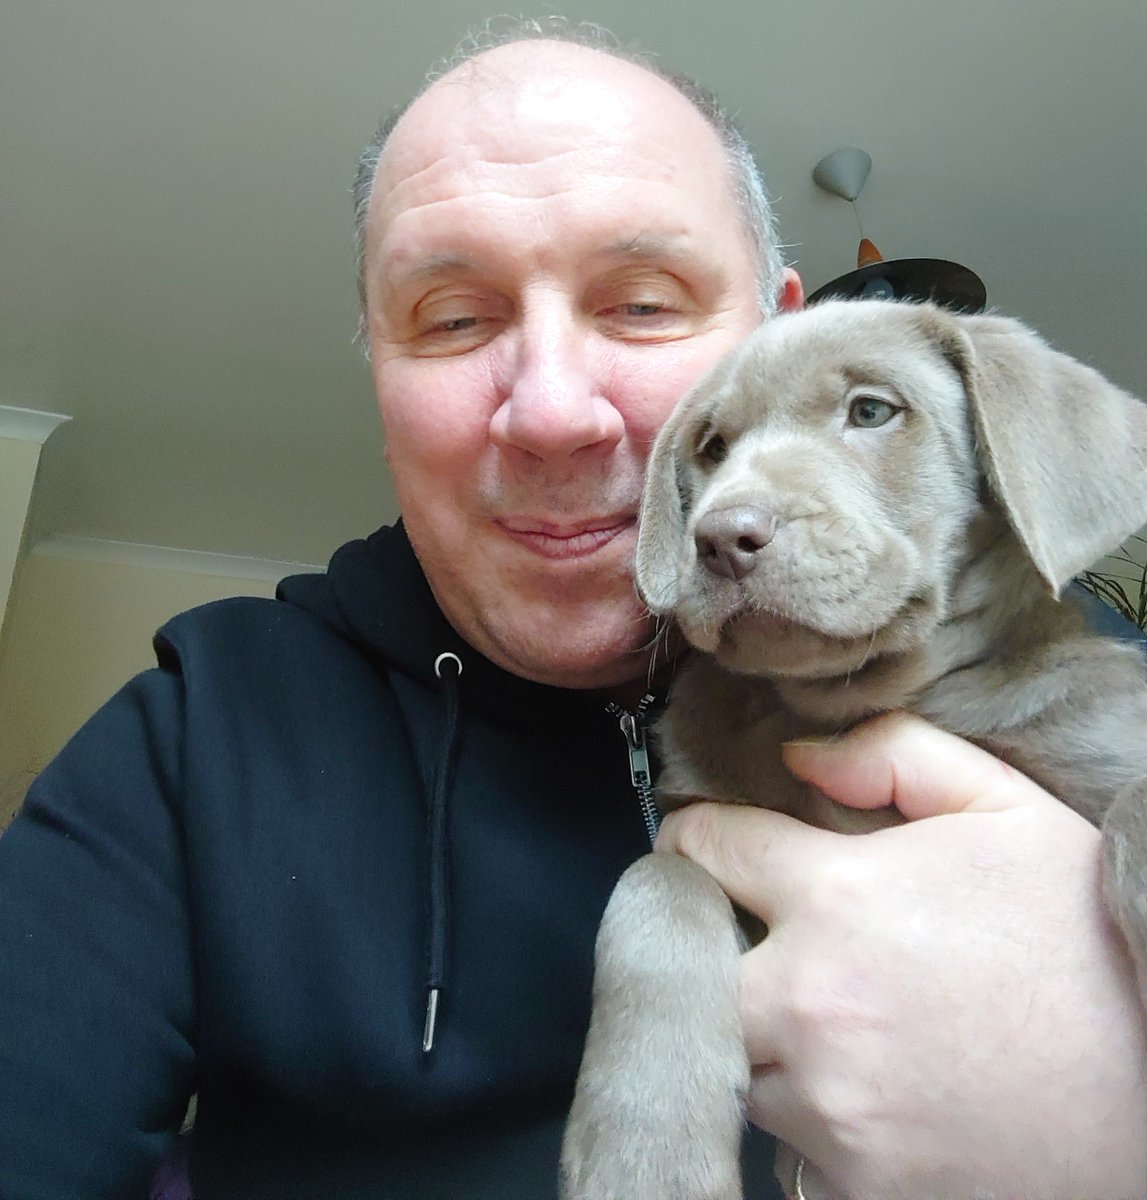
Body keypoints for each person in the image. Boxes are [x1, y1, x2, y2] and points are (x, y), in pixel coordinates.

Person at [0, 19, 1144, 1200]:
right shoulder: (197, 743)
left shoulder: (1074, 664)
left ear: (774, 330)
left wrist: (1111, 1122)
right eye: (452, 317)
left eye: (645, 303)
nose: (551, 413)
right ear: (378, 375)